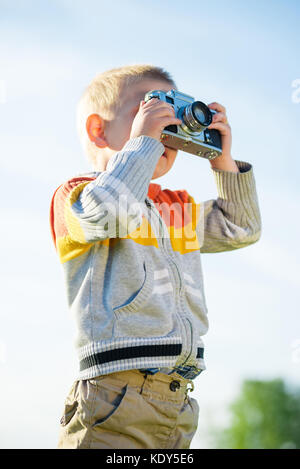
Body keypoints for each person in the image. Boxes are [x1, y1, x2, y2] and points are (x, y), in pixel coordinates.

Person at [49, 64, 261, 449]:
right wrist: (144, 142)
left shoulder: (174, 208)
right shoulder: (77, 195)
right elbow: (110, 211)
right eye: (150, 109)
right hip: (114, 392)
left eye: (173, 116)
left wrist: (222, 161)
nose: (165, 128)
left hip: (178, 396)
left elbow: (241, 227)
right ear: (98, 129)